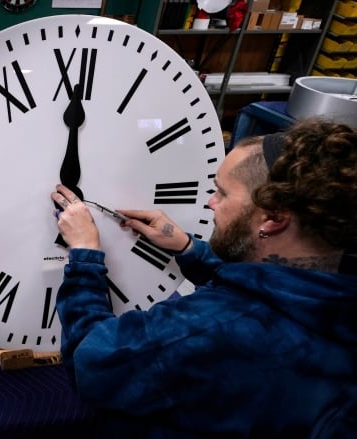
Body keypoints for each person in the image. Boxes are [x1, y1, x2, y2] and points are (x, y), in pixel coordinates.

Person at [50, 117, 357, 438]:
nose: (210, 203)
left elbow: (90, 363)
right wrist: (187, 248)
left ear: (273, 218)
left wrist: (85, 254)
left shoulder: (204, 330)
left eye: (222, 194)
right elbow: (277, 290)